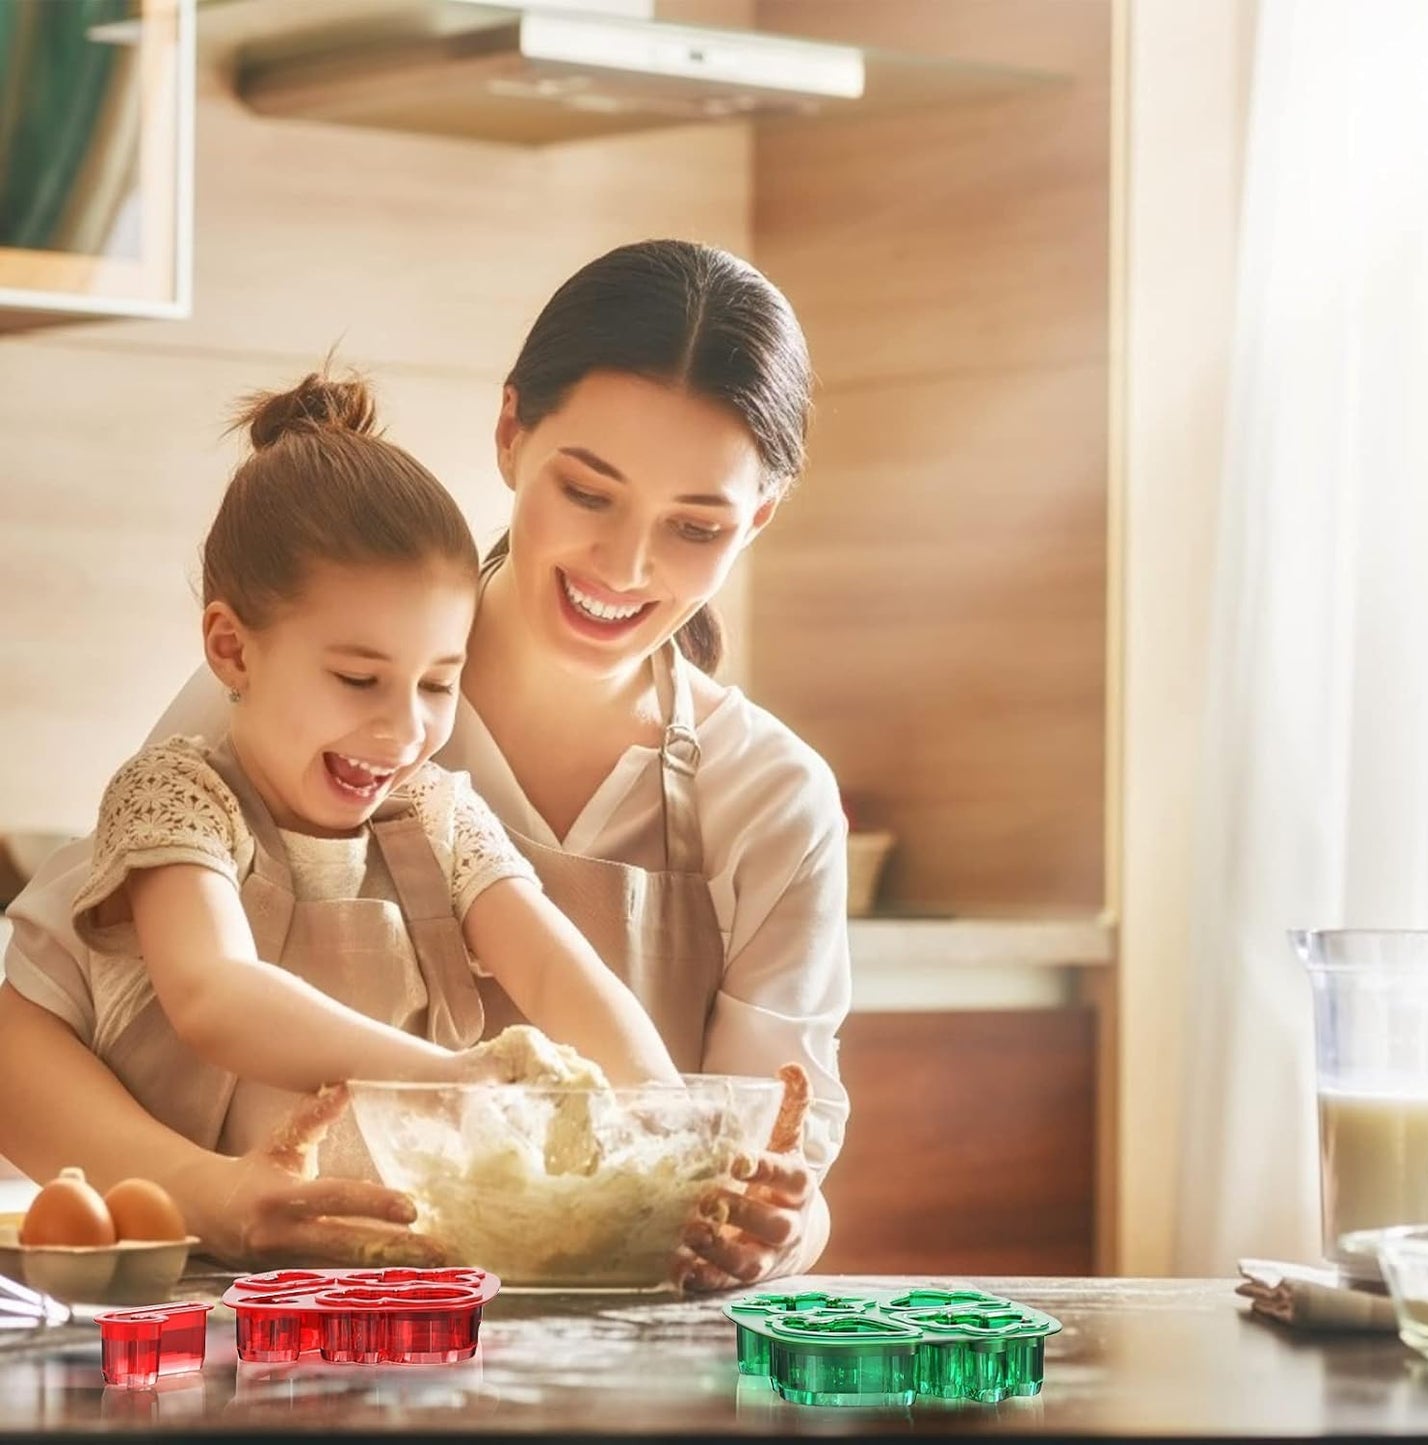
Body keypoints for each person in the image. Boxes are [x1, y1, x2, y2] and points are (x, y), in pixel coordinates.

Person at [0, 239, 851, 1291]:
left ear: (755, 519)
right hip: (272, 1334)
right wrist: (209, 1188)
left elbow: (770, 1170)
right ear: (510, 433)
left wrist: (767, 1222)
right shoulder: (298, 682)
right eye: (588, 493)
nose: (625, 567)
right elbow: (26, 1025)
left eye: (695, 524)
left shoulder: (769, 800)